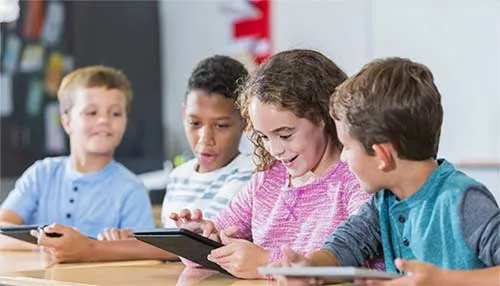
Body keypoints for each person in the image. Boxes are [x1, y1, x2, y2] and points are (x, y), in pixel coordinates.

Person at [277, 57, 500, 286]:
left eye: (347, 147)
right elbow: (345, 244)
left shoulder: (463, 201)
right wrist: (310, 268)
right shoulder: (384, 201)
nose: (343, 158)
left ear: (382, 155)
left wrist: (443, 281)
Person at [171, 49, 372, 279]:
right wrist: (197, 241)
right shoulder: (268, 180)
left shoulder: (356, 179)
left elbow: (368, 264)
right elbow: (214, 240)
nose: (275, 150)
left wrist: (267, 261)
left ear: (323, 116)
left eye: (285, 135)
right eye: (264, 137)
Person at [33, 55, 254, 263]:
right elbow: (173, 245)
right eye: (194, 123)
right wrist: (133, 239)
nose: (206, 139)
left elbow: (197, 247)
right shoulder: (180, 176)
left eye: (222, 125)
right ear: (184, 112)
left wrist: (89, 249)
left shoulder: (250, 176)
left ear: (245, 119)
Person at [0, 65, 154, 250]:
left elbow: (143, 252)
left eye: (115, 113)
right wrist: (50, 244)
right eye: (91, 112)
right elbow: (3, 228)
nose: (104, 120)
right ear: (66, 121)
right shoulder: (42, 174)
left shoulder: (131, 190)